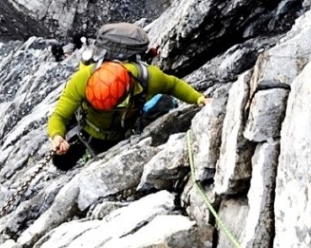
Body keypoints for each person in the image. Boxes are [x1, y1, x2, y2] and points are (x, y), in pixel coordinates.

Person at [47, 57, 208, 171]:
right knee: (62, 162)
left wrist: (199, 98)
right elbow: (59, 115)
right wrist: (57, 136)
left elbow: (172, 85)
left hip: (118, 131)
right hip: (86, 127)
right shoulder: (82, 80)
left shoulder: (148, 78)